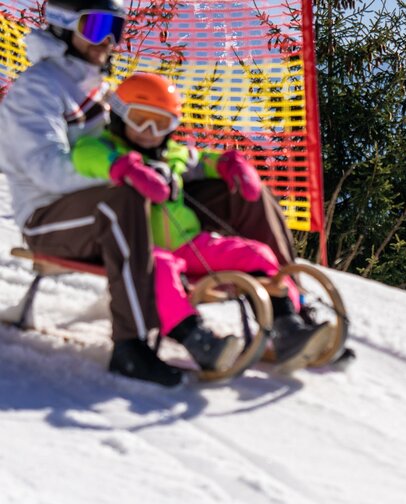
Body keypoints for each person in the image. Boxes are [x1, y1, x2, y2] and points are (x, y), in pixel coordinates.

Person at [72, 72, 331, 373]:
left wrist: (229, 163)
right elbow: (84, 155)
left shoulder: (172, 155)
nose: (149, 131)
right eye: (139, 119)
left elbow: (202, 159)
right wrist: (123, 168)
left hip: (189, 244)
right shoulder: (107, 148)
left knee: (257, 254)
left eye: (161, 123)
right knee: (160, 271)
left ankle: (289, 324)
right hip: (141, 248)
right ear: (118, 114)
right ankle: (197, 339)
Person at [0, 0, 184, 387]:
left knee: (216, 188)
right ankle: (131, 345)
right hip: (47, 218)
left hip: (96, 208)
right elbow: (46, 169)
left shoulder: (99, 88)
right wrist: (120, 174)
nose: (107, 41)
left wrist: (182, 166)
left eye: (115, 29)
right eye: (96, 27)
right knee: (120, 202)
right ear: (64, 25)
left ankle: (289, 308)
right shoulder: (37, 89)